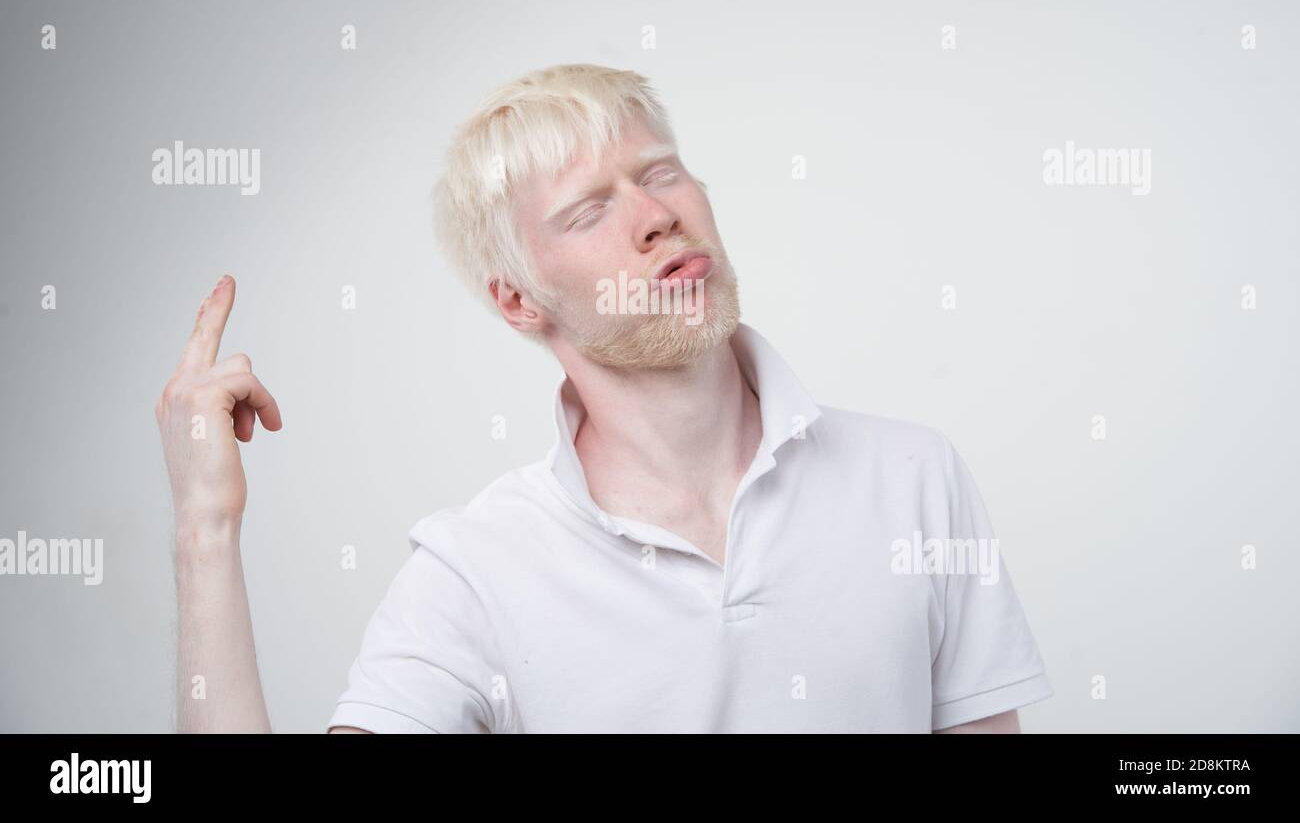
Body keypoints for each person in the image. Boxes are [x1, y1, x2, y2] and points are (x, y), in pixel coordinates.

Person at [156, 64, 1053, 733]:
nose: (655, 216)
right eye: (587, 212)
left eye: (660, 173)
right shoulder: (475, 571)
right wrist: (206, 528)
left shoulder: (912, 477)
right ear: (518, 300)